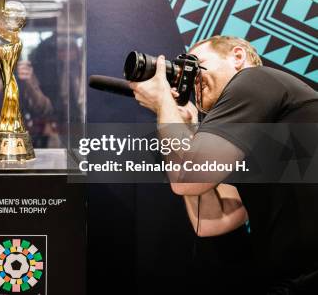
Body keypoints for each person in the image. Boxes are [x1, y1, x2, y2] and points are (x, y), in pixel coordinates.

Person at [130, 35, 318, 294]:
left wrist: (163, 101)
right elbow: (215, 221)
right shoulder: (254, 126)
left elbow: (191, 178)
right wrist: (185, 125)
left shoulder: (254, 79)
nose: (191, 76)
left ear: (238, 57)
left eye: (196, 65)